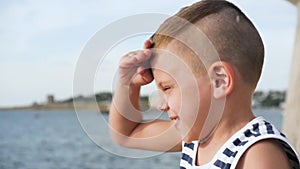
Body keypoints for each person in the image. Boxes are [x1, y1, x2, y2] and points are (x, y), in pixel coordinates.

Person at [109, 0, 300, 168]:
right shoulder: (195, 138)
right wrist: (128, 84)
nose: (161, 104)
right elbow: (127, 134)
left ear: (219, 81)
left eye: (167, 88)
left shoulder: (257, 153)